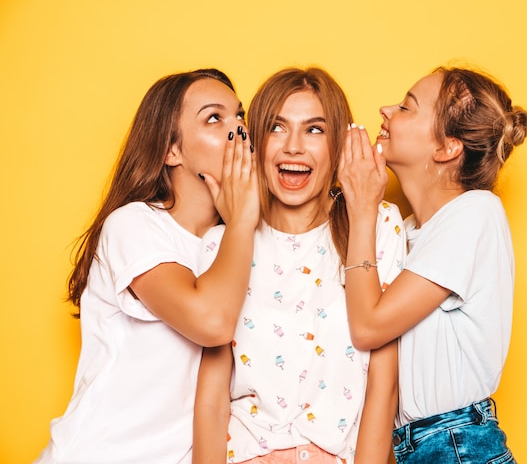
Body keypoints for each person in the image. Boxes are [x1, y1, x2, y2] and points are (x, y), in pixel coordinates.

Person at [34, 68, 259, 463]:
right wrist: (242, 220)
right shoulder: (134, 224)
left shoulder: (236, 244)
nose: (237, 129)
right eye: (214, 118)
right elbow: (211, 322)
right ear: (171, 151)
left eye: (239, 116)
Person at [193, 67, 406, 464]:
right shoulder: (222, 244)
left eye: (314, 130)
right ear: (255, 141)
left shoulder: (378, 223)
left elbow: (384, 383)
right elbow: (212, 396)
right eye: (276, 127)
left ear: (338, 145)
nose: (293, 146)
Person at [338, 66, 527, 464]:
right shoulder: (405, 232)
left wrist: (361, 209)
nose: (386, 109)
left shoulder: (475, 213)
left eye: (407, 107)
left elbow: (369, 326)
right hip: (419, 447)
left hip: (456, 445)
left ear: (447, 148)